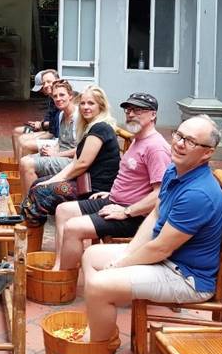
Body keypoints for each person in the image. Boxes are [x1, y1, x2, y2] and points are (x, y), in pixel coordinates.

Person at [81, 115, 222, 341]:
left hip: (185, 277)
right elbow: (156, 214)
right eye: (178, 135)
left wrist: (118, 265)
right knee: (91, 255)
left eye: (190, 141)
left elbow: (160, 249)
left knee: (100, 283)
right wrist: (128, 254)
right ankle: (100, 325)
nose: (178, 143)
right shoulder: (174, 170)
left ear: (207, 152)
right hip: (164, 259)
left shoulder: (199, 194)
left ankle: (99, 346)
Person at [53, 92, 171, 270]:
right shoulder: (137, 140)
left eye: (138, 110)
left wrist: (127, 211)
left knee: (73, 228)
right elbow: (134, 179)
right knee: (62, 210)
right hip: (115, 201)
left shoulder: (156, 148)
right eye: (128, 110)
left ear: (153, 114)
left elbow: (160, 194)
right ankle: (59, 264)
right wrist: (113, 192)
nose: (131, 114)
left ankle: (63, 280)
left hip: (136, 216)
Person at [21, 86, 120, 225]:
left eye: (91, 103)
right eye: (83, 103)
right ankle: (35, 232)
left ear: (101, 106)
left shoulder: (101, 128)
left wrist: (50, 183)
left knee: (40, 193)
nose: (85, 107)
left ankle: (30, 236)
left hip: (95, 189)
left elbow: (82, 164)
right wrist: (51, 181)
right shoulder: (89, 127)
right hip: (83, 181)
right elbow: (75, 163)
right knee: (37, 184)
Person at [19, 79, 78, 193]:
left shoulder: (77, 117)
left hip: (71, 161)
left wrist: (56, 154)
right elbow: (61, 142)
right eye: (55, 96)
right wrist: (52, 149)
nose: (58, 99)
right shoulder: (61, 115)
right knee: (24, 160)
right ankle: (27, 200)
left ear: (70, 96)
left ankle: (31, 205)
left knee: (28, 164)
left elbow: (81, 150)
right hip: (60, 153)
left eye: (62, 95)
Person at [11, 69, 59, 161]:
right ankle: (17, 165)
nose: (44, 88)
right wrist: (41, 123)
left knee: (23, 140)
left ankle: (20, 167)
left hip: (51, 134)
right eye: (44, 83)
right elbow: (50, 119)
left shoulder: (59, 100)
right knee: (16, 132)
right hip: (48, 130)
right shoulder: (51, 99)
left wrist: (41, 125)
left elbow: (54, 126)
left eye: (48, 82)